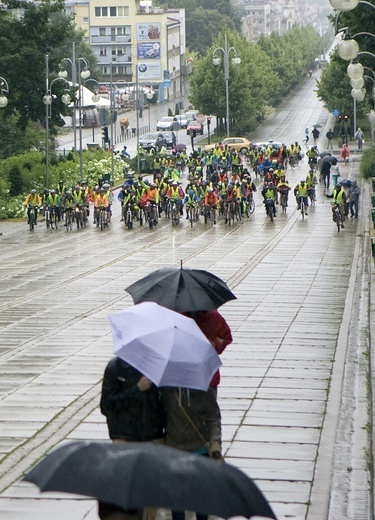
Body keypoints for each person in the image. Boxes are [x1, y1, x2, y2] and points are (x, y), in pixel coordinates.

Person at [160, 385, 222, 520]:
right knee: (177, 498)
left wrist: (215, 443)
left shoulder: (204, 388)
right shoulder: (166, 389)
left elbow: (213, 417)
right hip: (174, 448)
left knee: (201, 498)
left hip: (199, 448)